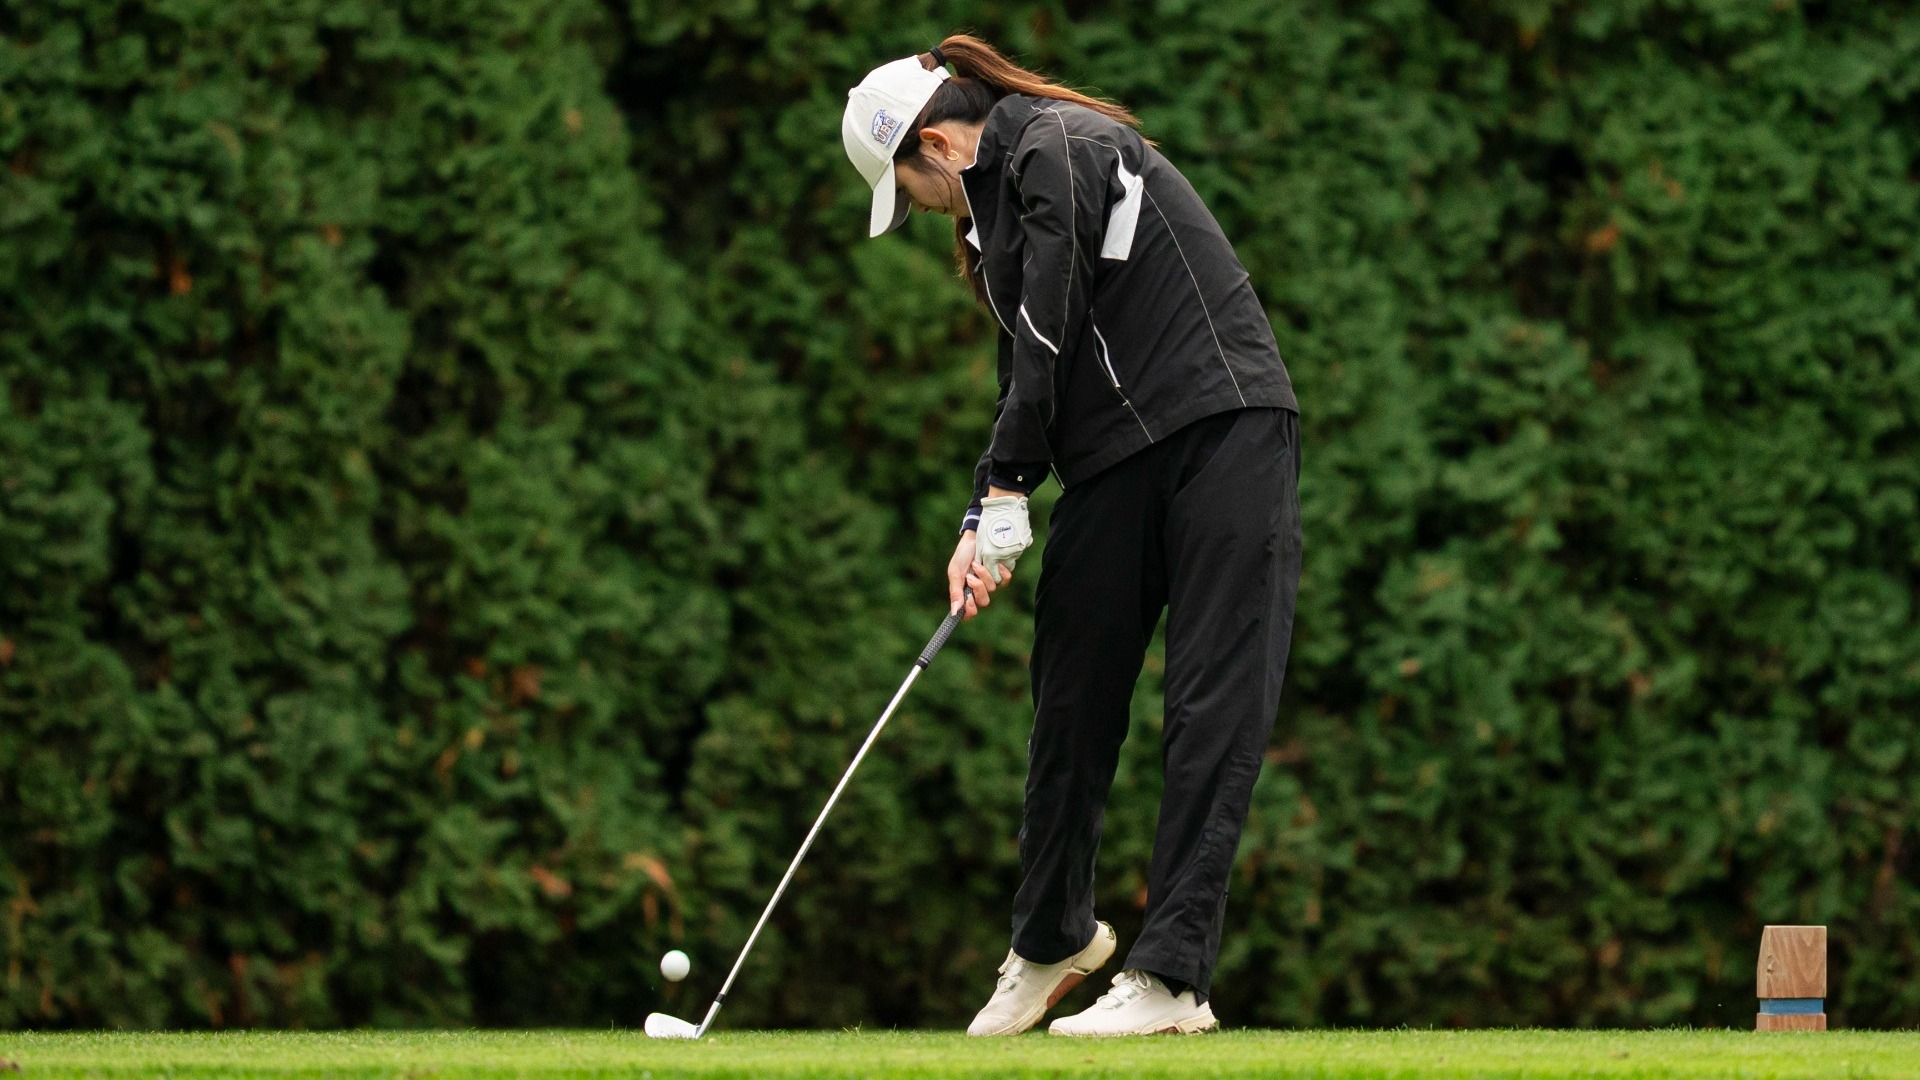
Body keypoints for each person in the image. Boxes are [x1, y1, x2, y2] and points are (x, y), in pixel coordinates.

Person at [841, 34, 1302, 1037]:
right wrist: (982, 513)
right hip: (1115, 459)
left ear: (938, 146)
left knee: (1209, 704)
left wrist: (1011, 489)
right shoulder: (996, 212)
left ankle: (1173, 980)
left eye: (908, 187)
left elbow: (1052, 314)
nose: (920, 213)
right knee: (1071, 701)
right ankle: (1051, 939)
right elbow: (1029, 374)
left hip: (1224, 425)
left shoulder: (1053, 142)